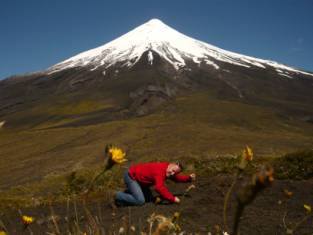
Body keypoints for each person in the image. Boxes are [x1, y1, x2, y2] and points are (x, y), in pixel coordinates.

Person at [115, 162, 196, 206]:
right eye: (173, 170)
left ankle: (128, 193)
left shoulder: (167, 169)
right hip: (131, 177)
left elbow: (176, 178)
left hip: (141, 182)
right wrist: (173, 199)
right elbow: (159, 188)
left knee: (149, 198)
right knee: (140, 201)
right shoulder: (160, 171)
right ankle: (116, 195)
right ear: (171, 165)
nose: (172, 173)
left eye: (174, 173)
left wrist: (188, 178)